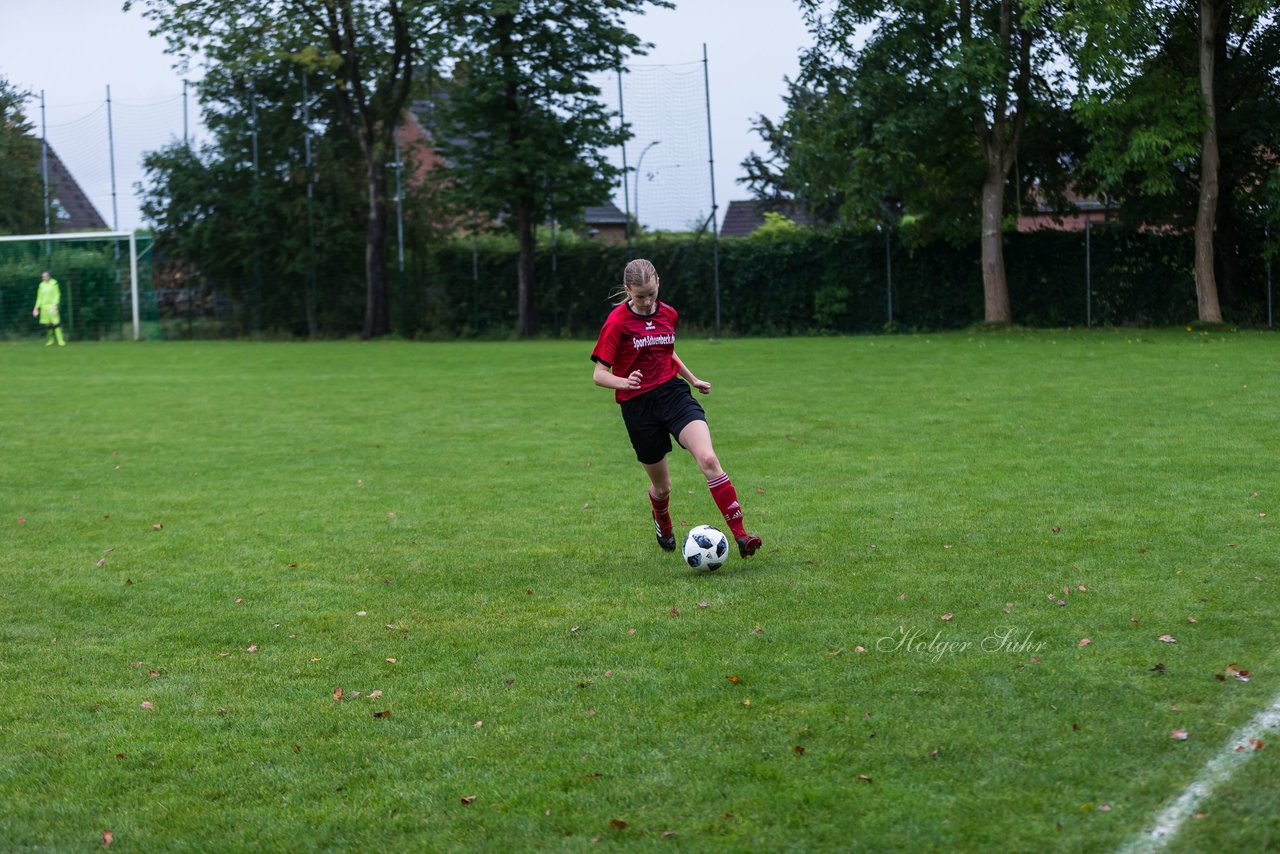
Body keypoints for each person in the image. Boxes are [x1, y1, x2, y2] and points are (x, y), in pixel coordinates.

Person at [591, 258, 761, 558]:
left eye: (651, 294)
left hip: (673, 395)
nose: (646, 302)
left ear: (658, 284)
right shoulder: (616, 322)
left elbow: (666, 351)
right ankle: (662, 517)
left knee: (708, 458)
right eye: (639, 296)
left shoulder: (668, 314)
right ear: (628, 289)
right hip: (638, 406)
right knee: (663, 487)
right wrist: (622, 382)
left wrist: (692, 379)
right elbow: (599, 375)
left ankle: (742, 536)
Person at [32, 271, 66, 347]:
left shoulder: (54, 283)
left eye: (45, 276)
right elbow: (39, 297)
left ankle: (60, 340)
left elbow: (57, 295)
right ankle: (50, 340)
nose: (44, 278)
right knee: (47, 324)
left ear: (49, 276)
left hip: (52, 306)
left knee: (56, 323)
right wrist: (36, 307)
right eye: (43, 276)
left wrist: (55, 305)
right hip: (44, 307)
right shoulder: (41, 285)